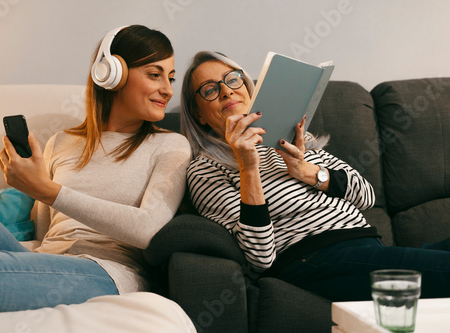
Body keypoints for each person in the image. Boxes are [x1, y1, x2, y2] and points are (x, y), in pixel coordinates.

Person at [0, 25, 191, 313]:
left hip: (107, 271)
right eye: (155, 74)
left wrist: (48, 190)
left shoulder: (170, 146)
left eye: (170, 78)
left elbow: (148, 230)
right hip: (46, 261)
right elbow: (44, 232)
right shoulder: (61, 141)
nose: (167, 89)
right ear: (112, 73)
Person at [179, 51, 450, 302]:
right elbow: (260, 256)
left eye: (232, 79)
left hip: (367, 246)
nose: (227, 91)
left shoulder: (290, 137)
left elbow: (366, 196)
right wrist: (248, 167)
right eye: (210, 90)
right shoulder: (205, 170)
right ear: (198, 115)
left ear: (249, 90)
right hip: (315, 259)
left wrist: (306, 171)